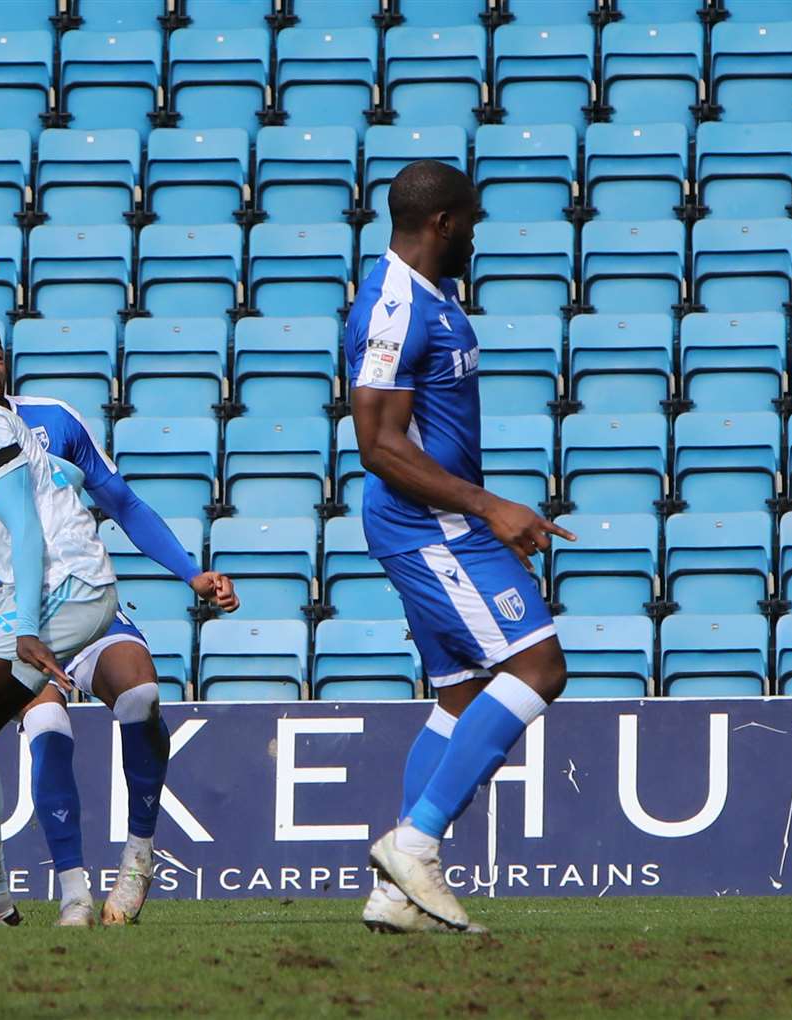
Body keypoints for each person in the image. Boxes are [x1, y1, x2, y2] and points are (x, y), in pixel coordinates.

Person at [0, 319, 238, 926]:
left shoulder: (28, 421)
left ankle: (16, 880)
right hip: (19, 598)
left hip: (52, 593)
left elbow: (103, 506)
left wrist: (189, 572)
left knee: (131, 696)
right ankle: (36, 894)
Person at [346, 160, 576, 934]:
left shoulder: (434, 298)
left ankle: (394, 896)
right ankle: (414, 844)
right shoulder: (394, 306)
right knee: (539, 666)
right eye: (471, 219)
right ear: (445, 223)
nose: (478, 232)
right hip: (429, 522)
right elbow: (376, 445)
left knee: (461, 694)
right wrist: (488, 506)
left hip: (439, 517)